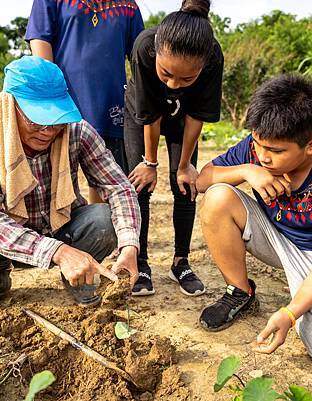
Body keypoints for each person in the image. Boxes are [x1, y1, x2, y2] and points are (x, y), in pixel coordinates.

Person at [0, 56, 140, 319]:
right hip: (4, 242)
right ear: (9, 108)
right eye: (36, 119)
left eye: (55, 119)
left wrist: (129, 245)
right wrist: (56, 252)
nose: (48, 130)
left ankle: (78, 278)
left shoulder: (78, 132)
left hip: (63, 229)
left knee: (104, 219)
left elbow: (119, 188)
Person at [196, 74, 312, 366]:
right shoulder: (258, 149)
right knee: (218, 197)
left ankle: (307, 302)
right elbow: (203, 180)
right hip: (274, 237)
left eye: (275, 151)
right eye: (257, 144)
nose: (263, 156)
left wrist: (290, 313)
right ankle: (240, 292)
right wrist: (247, 171)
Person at [124, 0, 223, 297]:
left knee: (185, 185)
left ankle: (181, 261)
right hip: (142, 116)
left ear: (203, 65)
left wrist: (184, 166)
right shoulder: (144, 46)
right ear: (157, 52)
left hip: (184, 120)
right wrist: (149, 162)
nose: (174, 83)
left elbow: (197, 116)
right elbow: (150, 115)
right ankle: (140, 262)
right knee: (140, 184)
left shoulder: (213, 56)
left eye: (186, 78)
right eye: (166, 73)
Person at [25, 0, 144, 203]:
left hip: (111, 106)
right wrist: (50, 94)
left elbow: (140, 56)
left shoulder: (129, 6)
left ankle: (98, 231)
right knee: (54, 178)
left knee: (106, 182)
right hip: (62, 104)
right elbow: (40, 39)